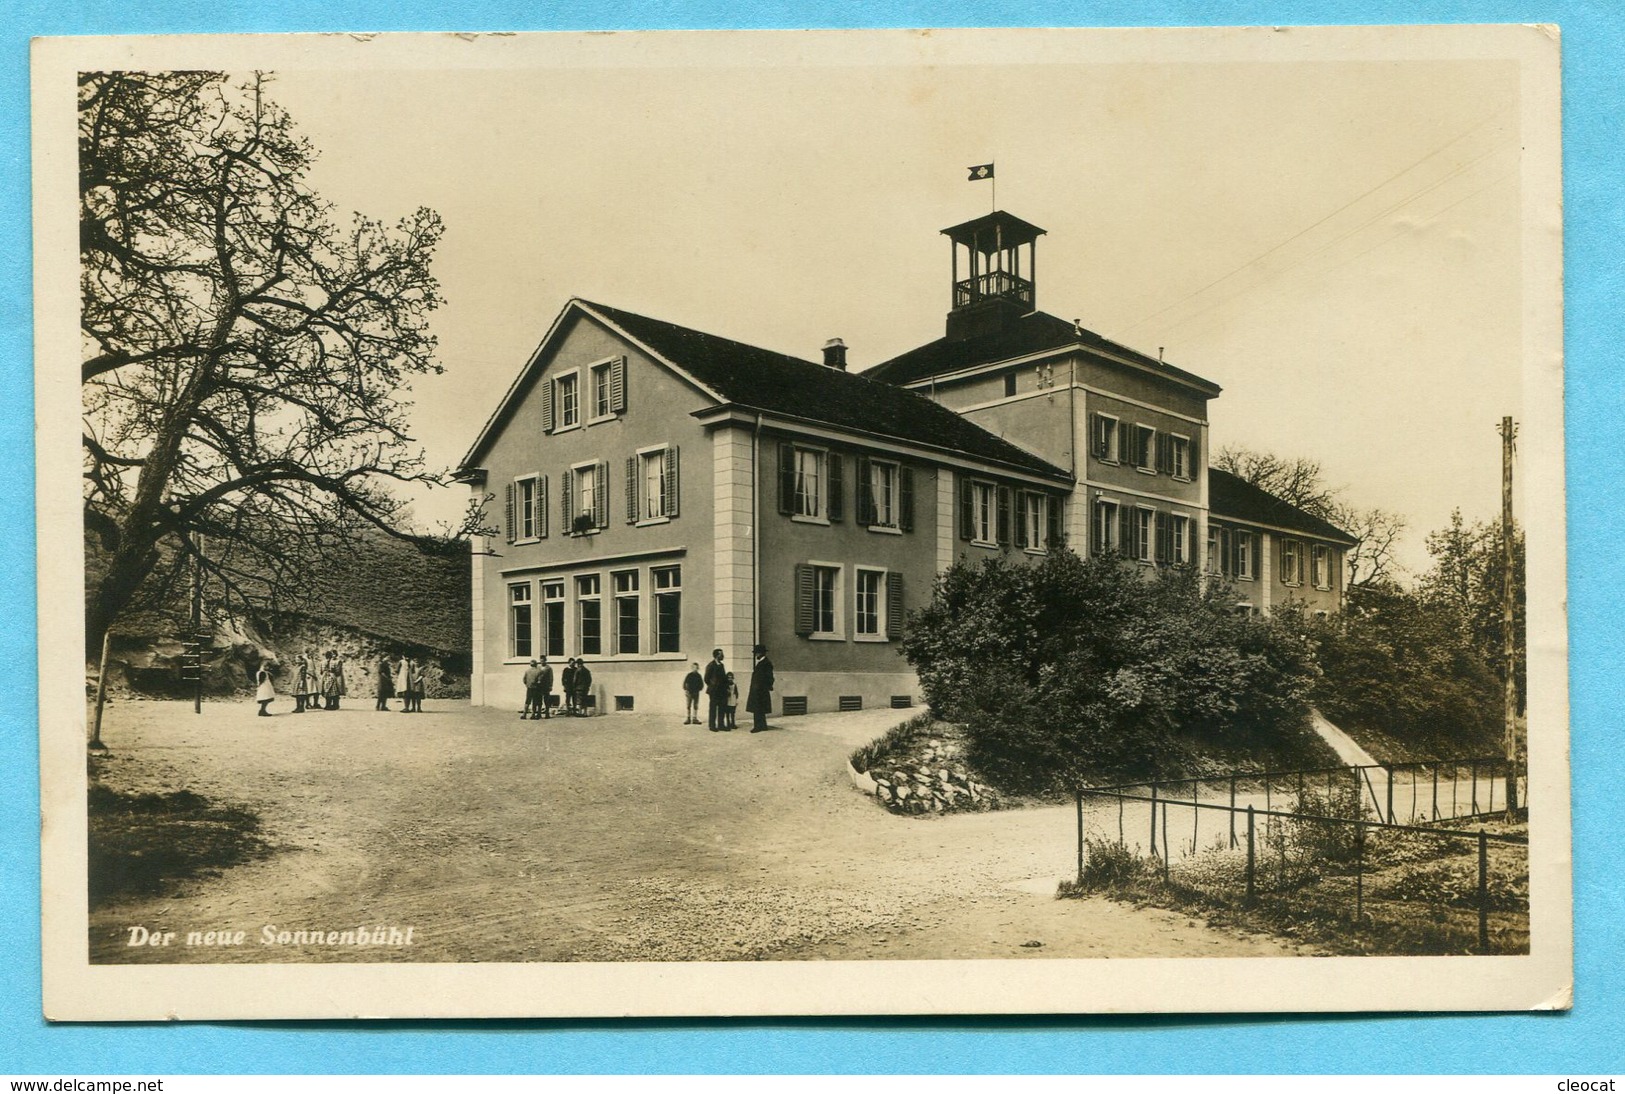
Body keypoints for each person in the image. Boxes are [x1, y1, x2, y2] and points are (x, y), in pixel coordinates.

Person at [746, 643, 775, 733]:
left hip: (760, 690)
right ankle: (762, 725)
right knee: (759, 708)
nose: (756, 655)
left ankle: (758, 726)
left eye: (757, 653)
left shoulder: (766, 663)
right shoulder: (762, 662)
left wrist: (764, 687)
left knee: (758, 708)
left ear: (761, 653)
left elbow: (770, 677)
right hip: (758, 690)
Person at [703, 648, 729, 731]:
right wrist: (712, 686)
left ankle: (721, 725)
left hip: (722, 691)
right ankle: (712, 726)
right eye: (721, 654)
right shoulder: (710, 665)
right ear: (717, 655)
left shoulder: (721, 665)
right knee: (713, 708)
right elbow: (706, 679)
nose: (723, 656)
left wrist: (726, 687)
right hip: (714, 691)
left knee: (722, 708)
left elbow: (724, 678)